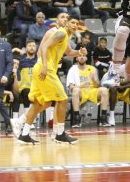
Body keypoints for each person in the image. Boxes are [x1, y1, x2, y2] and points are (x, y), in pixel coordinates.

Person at [10, 14, 87, 144]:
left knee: (42, 103)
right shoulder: (60, 33)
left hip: (42, 68)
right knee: (62, 99)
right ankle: (59, 133)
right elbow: (44, 47)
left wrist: (79, 52)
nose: (74, 25)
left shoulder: (66, 36)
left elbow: (69, 52)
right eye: (72, 22)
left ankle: (23, 130)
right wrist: (45, 65)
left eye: (76, 23)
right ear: (66, 23)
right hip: (45, 69)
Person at [67, 54, 110, 128]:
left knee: (105, 90)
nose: (82, 57)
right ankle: (77, 118)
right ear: (77, 58)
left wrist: (94, 79)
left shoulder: (92, 68)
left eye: (83, 56)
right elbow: (71, 87)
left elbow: (97, 85)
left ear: (86, 58)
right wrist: (81, 86)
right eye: (80, 56)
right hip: (81, 91)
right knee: (75, 90)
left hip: (92, 90)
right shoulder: (73, 70)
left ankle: (103, 118)